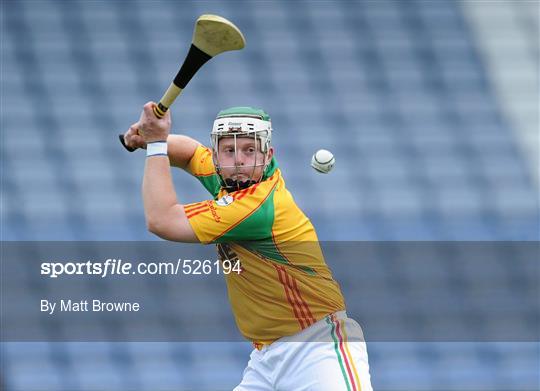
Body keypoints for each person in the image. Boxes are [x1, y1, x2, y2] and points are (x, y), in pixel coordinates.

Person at [123, 102, 373, 390]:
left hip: (317, 348)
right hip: (266, 358)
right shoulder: (231, 179)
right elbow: (191, 153)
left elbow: (161, 220)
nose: (239, 159)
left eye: (249, 150)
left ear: (268, 155)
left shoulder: (258, 206)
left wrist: (156, 144)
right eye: (229, 150)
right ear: (217, 155)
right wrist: (151, 138)